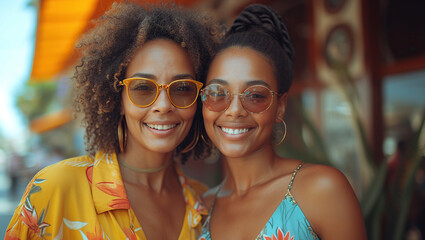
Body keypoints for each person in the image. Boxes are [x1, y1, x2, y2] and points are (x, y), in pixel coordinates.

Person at [6, 2, 220, 239]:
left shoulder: (205, 205)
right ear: (117, 100)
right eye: (142, 88)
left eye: (181, 88)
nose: (163, 105)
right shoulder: (56, 189)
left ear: (199, 100)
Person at [198, 4, 367, 240]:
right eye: (218, 93)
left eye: (255, 95)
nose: (234, 111)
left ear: (280, 107)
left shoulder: (322, 190)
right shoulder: (201, 210)